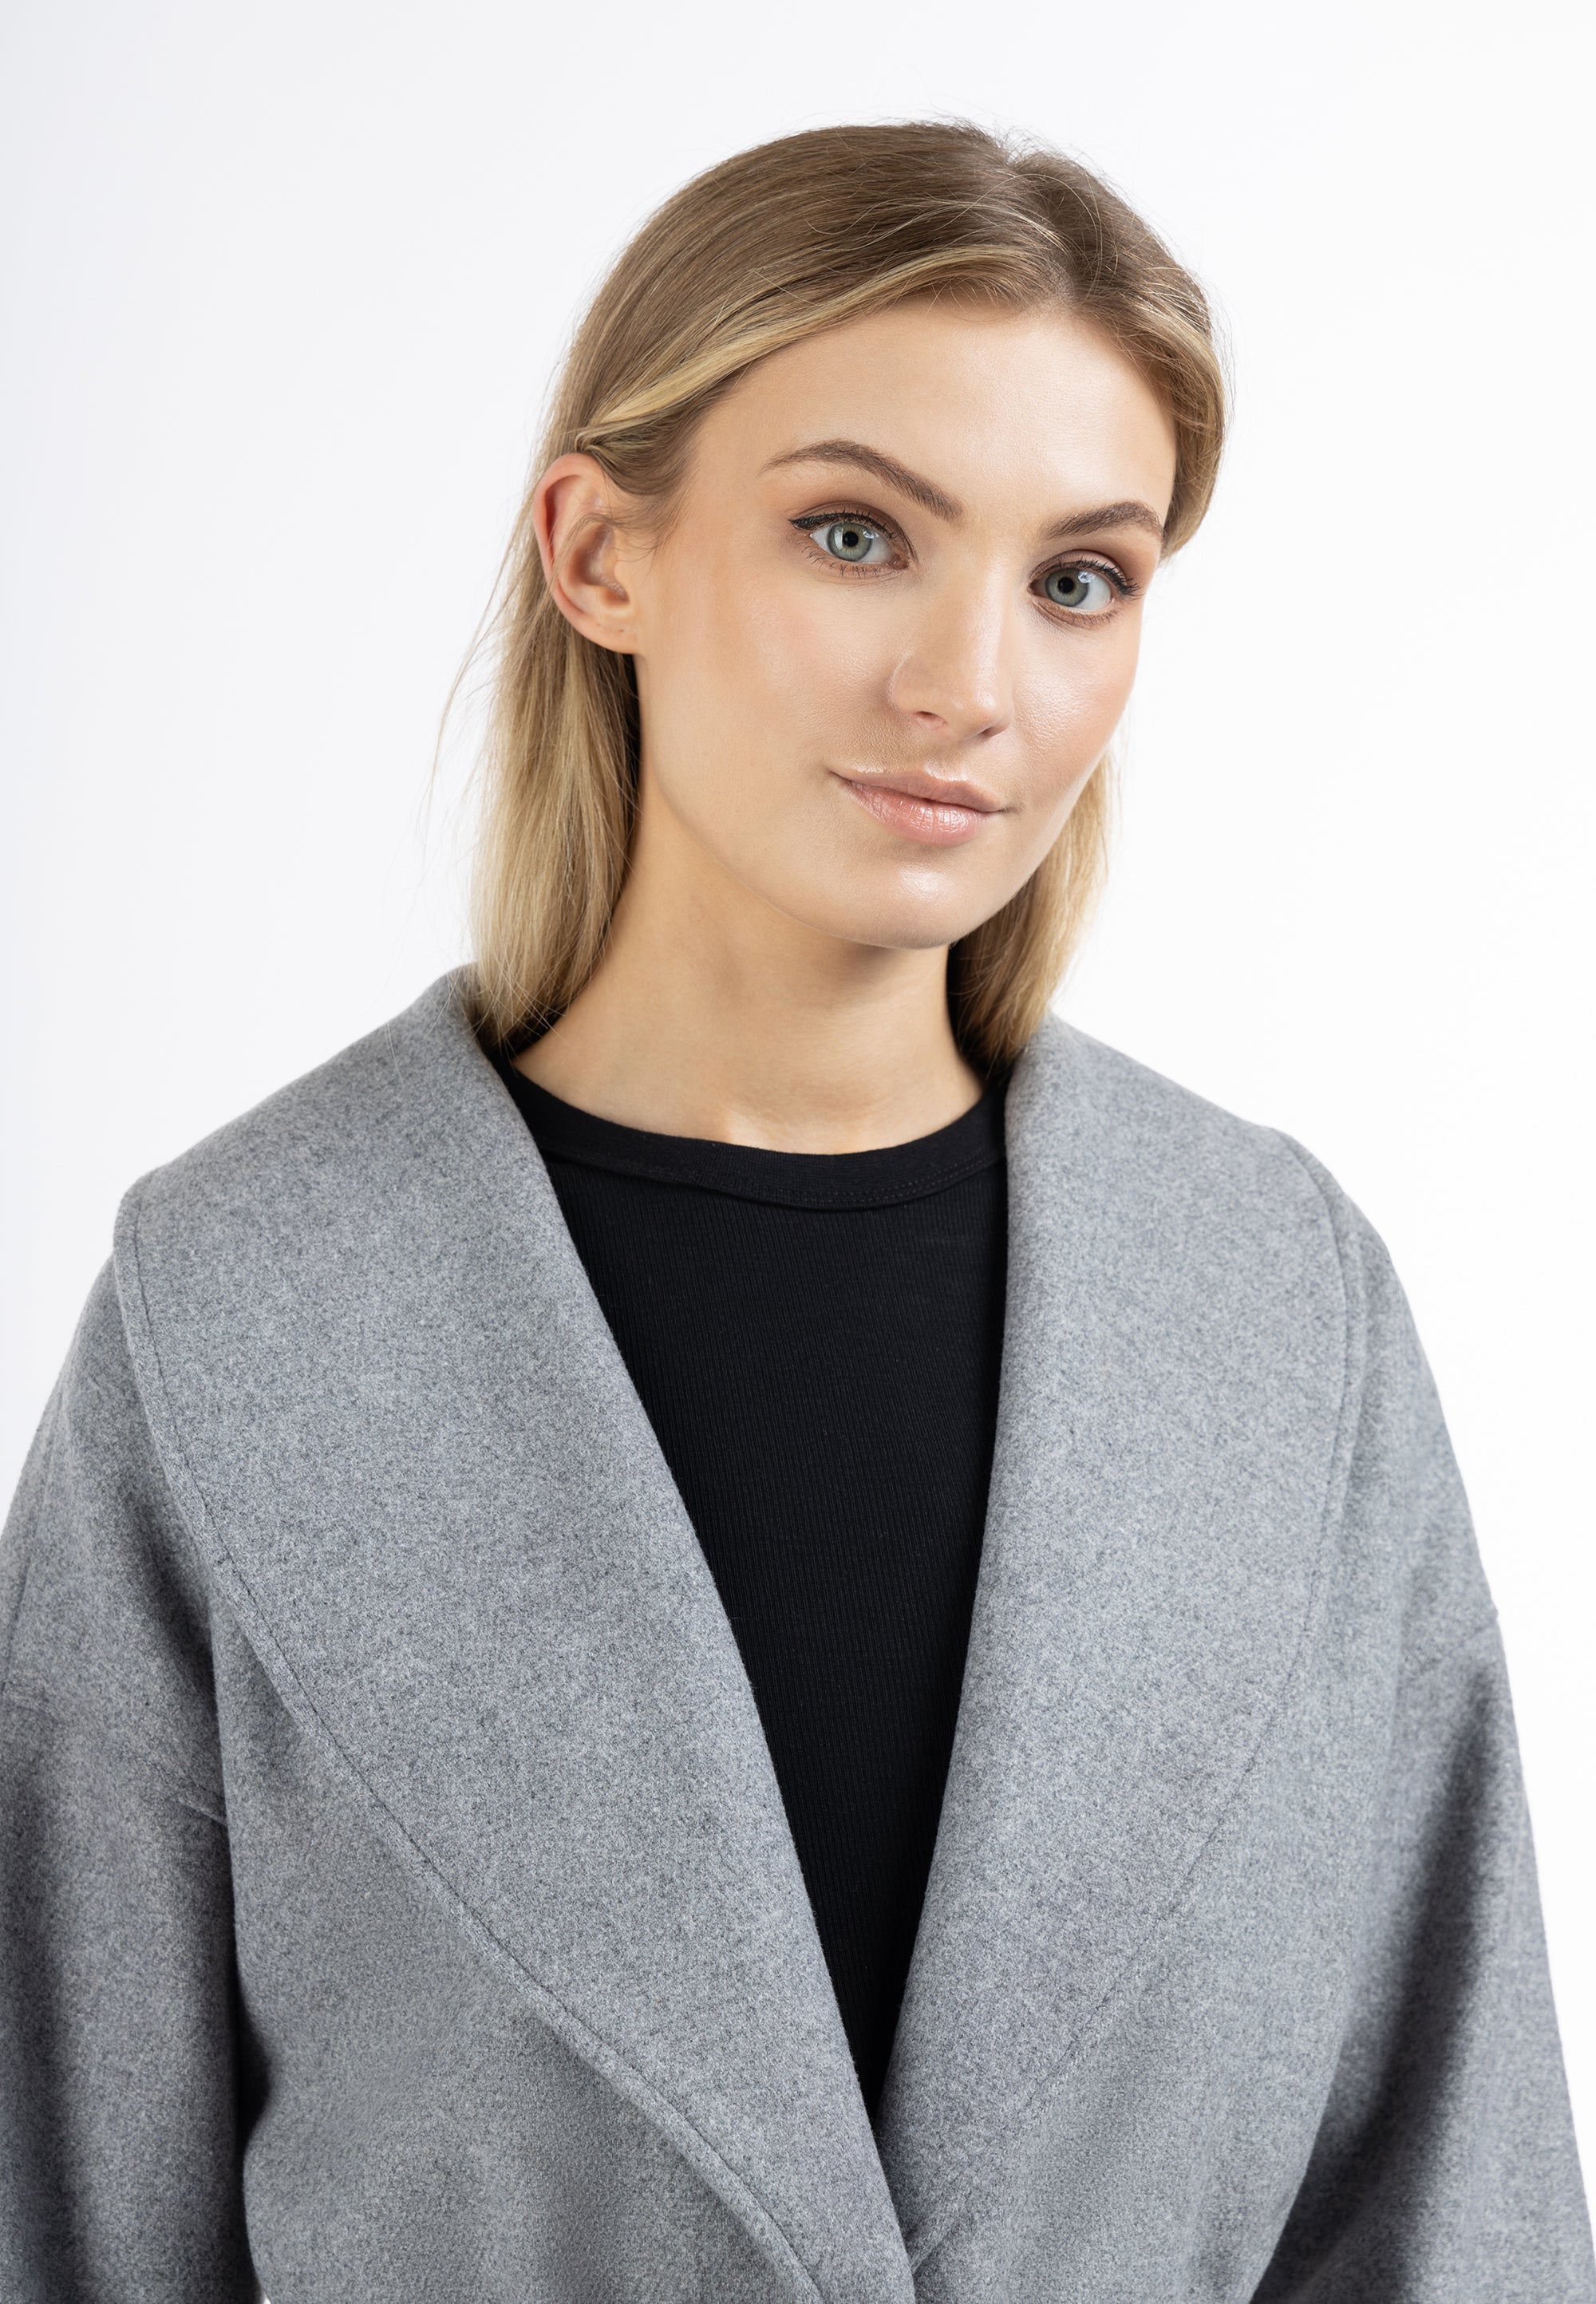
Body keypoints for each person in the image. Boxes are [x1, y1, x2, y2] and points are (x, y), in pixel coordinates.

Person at [1, 120, 1590, 2304]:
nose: (972, 685)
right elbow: (61, 2213)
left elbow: (1458, 2207)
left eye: (1079, 579)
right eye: (858, 535)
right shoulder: (245, 1313)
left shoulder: (1277, 1320)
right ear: (601, 554)